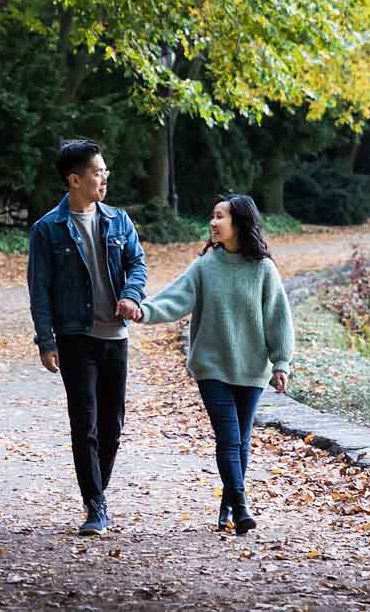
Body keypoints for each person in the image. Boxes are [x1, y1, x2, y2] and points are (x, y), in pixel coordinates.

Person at [132, 194, 293, 535]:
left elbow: (278, 318)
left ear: (239, 223)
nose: (213, 222)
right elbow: (175, 299)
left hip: (251, 368)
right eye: (213, 216)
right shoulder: (206, 266)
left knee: (241, 440)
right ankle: (242, 505)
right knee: (229, 438)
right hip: (212, 367)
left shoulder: (263, 269)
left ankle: (229, 506)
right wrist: (143, 310)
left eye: (220, 217)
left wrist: (281, 362)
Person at [27, 138, 148, 536]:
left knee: (113, 425)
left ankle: (97, 488)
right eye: (98, 172)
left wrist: (131, 294)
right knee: (85, 423)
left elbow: (137, 263)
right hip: (75, 337)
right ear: (74, 179)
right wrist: (46, 340)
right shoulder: (48, 229)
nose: (104, 178)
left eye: (105, 171)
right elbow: (39, 288)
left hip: (115, 337)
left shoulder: (118, 221)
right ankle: (95, 504)